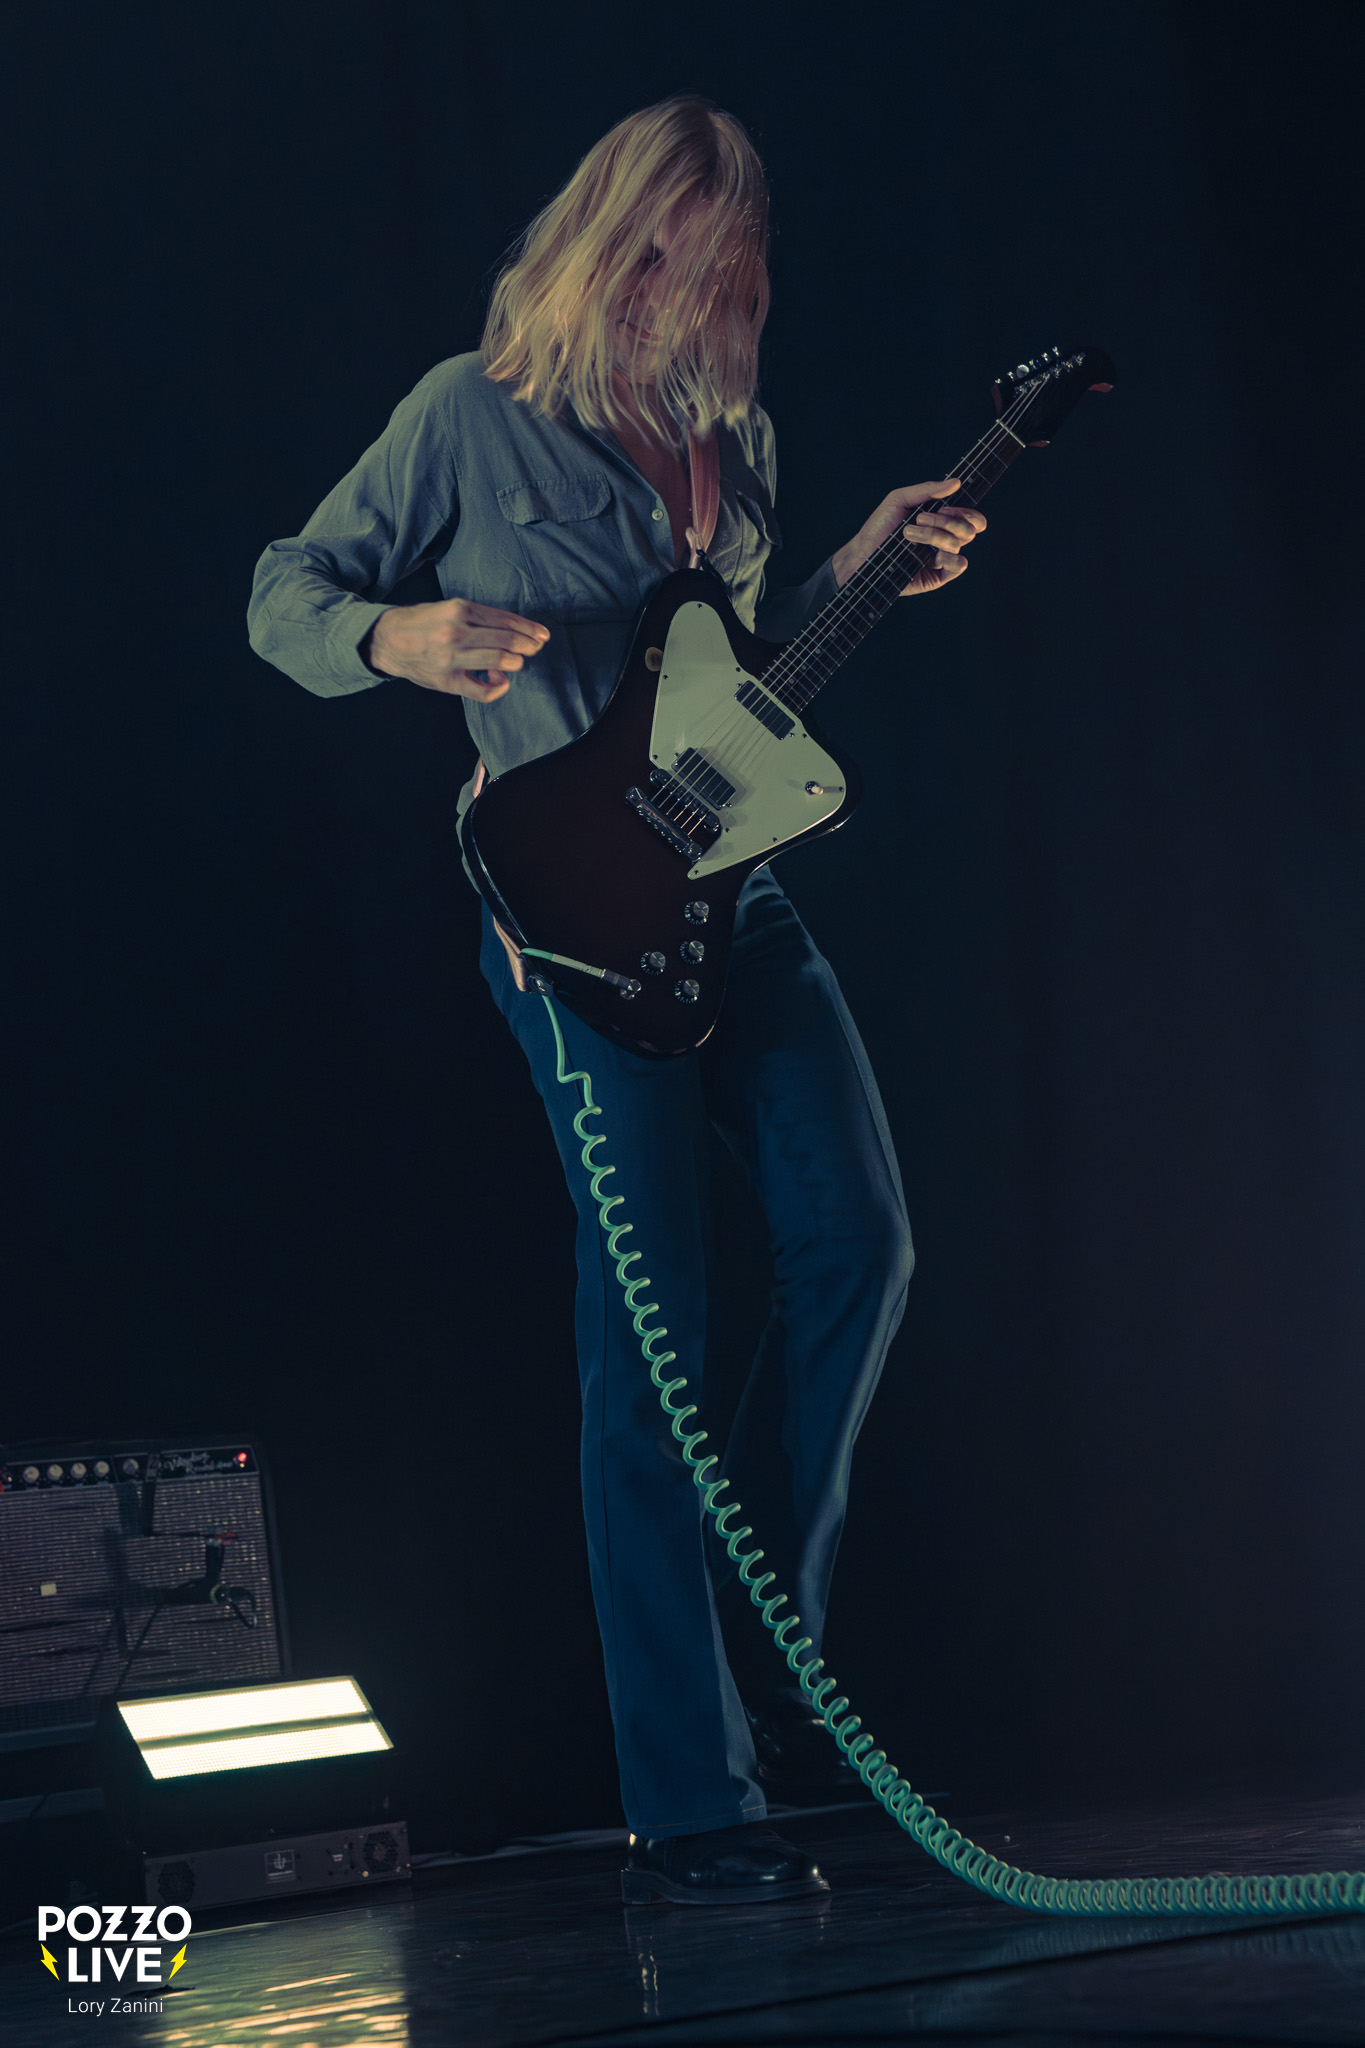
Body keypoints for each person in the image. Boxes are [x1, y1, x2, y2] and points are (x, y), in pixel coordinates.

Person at [248, 95, 985, 1905]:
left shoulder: (734, 438)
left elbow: (723, 692)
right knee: (648, 1345)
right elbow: (283, 591)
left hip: (735, 898)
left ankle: (759, 1631)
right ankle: (692, 1800)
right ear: (599, 242)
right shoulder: (466, 412)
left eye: (718, 266)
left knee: (860, 1243)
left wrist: (859, 568)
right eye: (658, 254)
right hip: (564, 934)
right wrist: (392, 637)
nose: (683, 291)